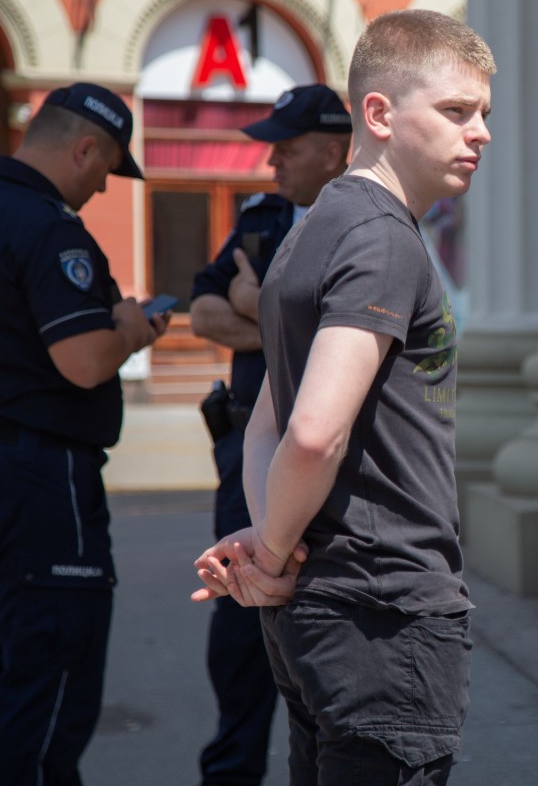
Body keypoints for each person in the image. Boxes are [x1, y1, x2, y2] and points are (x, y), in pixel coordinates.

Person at [191, 9, 494, 785]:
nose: (480, 133)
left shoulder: (310, 230)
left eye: (483, 113)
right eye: (456, 111)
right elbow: (312, 432)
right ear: (379, 114)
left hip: (320, 613)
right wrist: (270, 555)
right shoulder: (382, 237)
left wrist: (273, 547)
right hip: (381, 616)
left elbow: (267, 423)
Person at [0, 83, 167, 785]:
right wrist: (128, 328)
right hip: (42, 486)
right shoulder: (50, 228)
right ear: (85, 148)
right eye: (107, 170)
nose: (102, 188)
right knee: (44, 701)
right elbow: (86, 360)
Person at [189, 83, 351, 786]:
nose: (272, 161)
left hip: (326, 461)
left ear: (335, 152)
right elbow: (203, 314)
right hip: (246, 458)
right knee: (238, 631)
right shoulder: (261, 219)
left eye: (287, 147)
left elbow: (351, 337)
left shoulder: (361, 228)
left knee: (319, 630)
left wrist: (255, 304)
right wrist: (283, 320)